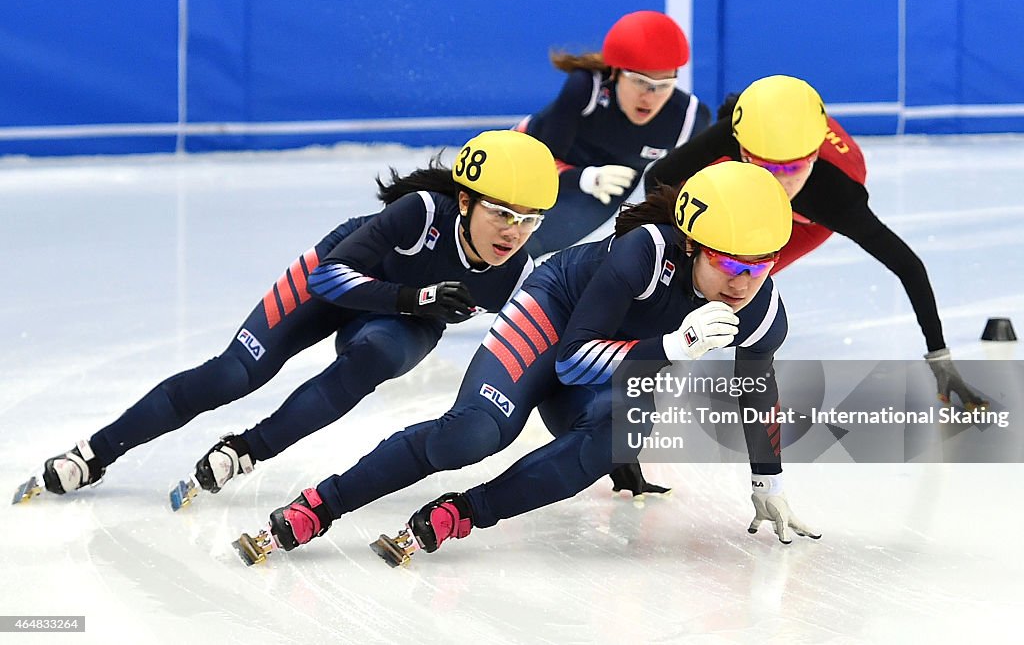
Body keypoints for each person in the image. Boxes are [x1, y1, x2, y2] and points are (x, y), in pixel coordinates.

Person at [237, 161, 819, 565]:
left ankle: (462, 513)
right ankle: (324, 503)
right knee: (474, 434)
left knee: (611, 438)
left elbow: (755, 386)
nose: (743, 283)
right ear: (692, 244)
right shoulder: (645, 253)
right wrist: (672, 347)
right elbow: (572, 363)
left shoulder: (763, 310)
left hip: (609, 359)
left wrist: (767, 477)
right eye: (729, 264)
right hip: (554, 319)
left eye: (761, 265)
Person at [31, 130, 559, 502]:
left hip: (400, 319)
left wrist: (609, 440)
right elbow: (326, 279)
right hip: (345, 278)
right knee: (235, 372)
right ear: (465, 202)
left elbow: (544, 354)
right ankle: (95, 452)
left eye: (531, 221)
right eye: (502, 213)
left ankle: (247, 450)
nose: (513, 233)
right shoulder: (420, 212)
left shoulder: (513, 274)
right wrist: (417, 298)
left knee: (373, 357)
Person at [644, 74, 984, 410]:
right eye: (763, 165)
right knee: (702, 267)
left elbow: (908, 266)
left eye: (791, 168)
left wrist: (941, 361)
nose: (777, 181)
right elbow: (657, 179)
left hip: (807, 220)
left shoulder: (836, 198)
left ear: (813, 157)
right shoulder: (738, 131)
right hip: (756, 147)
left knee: (741, 275)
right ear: (743, 148)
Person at [517, 10, 712, 258]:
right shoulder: (585, 87)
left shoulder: (689, 119)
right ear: (616, 72)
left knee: (528, 250)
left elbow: (685, 192)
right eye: (640, 81)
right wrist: (586, 178)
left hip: (606, 188)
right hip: (536, 160)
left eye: (663, 86)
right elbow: (539, 165)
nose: (649, 96)